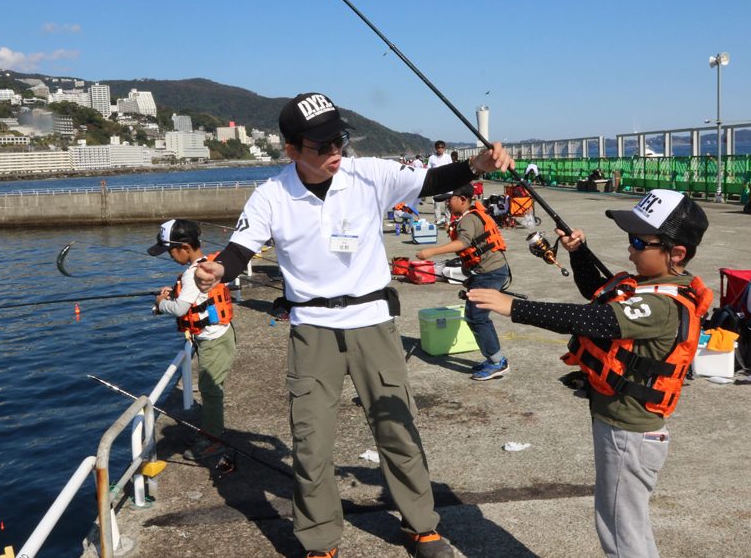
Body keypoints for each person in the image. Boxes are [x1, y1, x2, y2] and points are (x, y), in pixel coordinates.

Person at [194, 92, 514, 558]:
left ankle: (421, 526)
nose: (334, 152)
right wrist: (218, 271)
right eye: (321, 145)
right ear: (291, 150)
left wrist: (478, 165)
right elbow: (240, 250)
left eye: (338, 139)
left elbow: (433, 179)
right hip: (312, 329)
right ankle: (320, 541)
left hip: (372, 322)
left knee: (397, 430)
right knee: (310, 444)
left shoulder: (369, 174)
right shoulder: (271, 195)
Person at [468, 189, 712, 558]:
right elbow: (599, 295)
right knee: (630, 525)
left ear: (676, 253)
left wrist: (513, 307)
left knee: (620, 533)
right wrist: (578, 253)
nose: (629, 249)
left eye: (638, 241)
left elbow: (594, 320)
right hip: (624, 429)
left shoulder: (661, 304)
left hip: (628, 435)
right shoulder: (649, 285)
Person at [149, 219, 237, 465]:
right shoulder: (207, 265)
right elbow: (196, 298)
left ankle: (214, 440)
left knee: (210, 391)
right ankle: (211, 431)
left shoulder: (190, 275)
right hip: (219, 336)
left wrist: (159, 304)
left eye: (170, 251)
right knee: (210, 389)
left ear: (184, 248)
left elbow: (180, 309)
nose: (170, 256)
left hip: (214, 341)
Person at [415, 183, 511, 380]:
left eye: (449, 200)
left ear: (463, 199)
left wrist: (430, 252)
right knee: (474, 314)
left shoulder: (468, 220)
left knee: (477, 316)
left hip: (491, 273)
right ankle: (493, 359)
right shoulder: (467, 217)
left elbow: (464, 243)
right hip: (485, 272)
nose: (447, 204)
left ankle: (497, 362)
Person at [427, 141, 454, 224]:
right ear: (436, 148)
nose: (440, 149)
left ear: (444, 148)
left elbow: (451, 168)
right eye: (438, 147)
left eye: (442, 147)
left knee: (448, 203)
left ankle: (447, 220)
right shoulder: (432, 157)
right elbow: (429, 169)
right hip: (437, 183)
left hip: (447, 182)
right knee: (437, 203)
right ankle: (437, 219)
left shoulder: (447, 157)